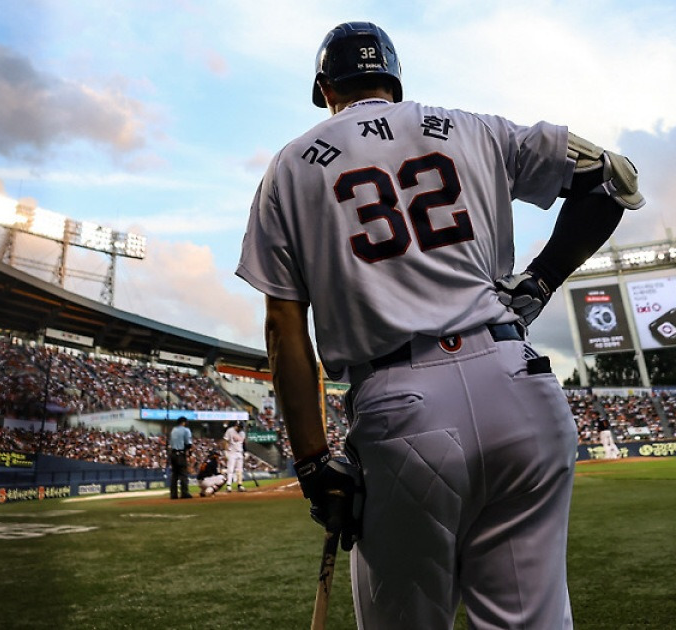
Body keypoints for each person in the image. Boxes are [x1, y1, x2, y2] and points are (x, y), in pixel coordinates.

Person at [237, 21, 640, 629]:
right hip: (518, 386)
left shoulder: (290, 168)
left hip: (401, 406)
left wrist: (315, 464)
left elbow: (283, 330)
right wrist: (537, 283)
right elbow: (614, 178)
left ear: (325, 89)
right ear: (394, 83)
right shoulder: (472, 128)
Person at [167, 416, 193, 499]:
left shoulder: (173, 430)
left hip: (173, 453)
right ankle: (184, 493)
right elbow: (188, 444)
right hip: (180, 454)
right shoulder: (186, 430)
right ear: (183, 422)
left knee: (174, 474)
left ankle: (173, 494)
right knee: (183, 474)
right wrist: (189, 452)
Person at [223, 420, 247, 492]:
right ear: (237, 425)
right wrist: (226, 451)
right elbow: (226, 441)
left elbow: (243, 443)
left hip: (239, 452)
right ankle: (229, 485)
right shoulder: (230, 431)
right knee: (230, 469)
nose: (240, 428)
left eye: (241, 427)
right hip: (231, 452)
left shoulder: (242, 433)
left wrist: (245, 452)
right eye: (239, 427)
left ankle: (240, 485)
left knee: (239, 470)